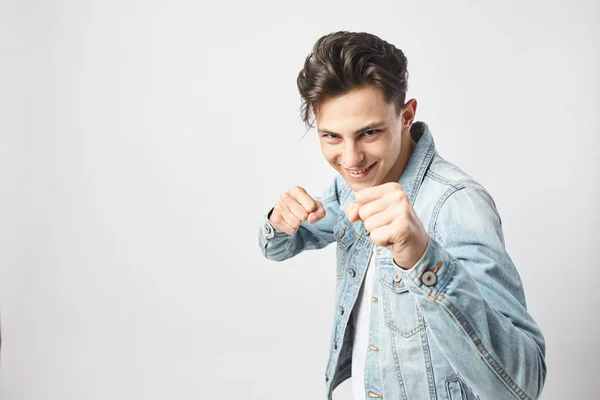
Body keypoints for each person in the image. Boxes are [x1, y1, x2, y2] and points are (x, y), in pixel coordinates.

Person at [257, 31, 546, 400]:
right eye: (331, 137)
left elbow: (524, 383)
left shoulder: (456, 203)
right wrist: (278, 221)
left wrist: (423, 257)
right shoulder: (349, 186)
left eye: (369, 133)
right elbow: (278, 248)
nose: (350, 159)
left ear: (406, 115)